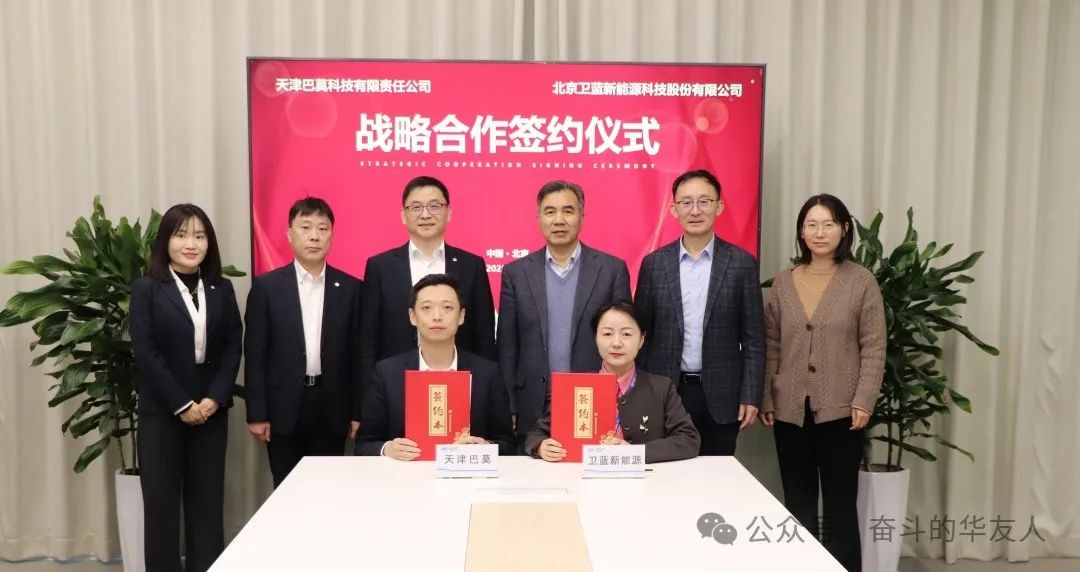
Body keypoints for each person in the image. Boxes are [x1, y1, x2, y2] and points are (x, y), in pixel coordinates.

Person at [759, 194, 886, 571]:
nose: (819, 232)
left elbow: (874, 344)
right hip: (789, 413)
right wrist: (767, 397)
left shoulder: (861, 281)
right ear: (801, 232)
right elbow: (771, 343)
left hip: (843, 413)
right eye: (811, 225)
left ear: (844, 229)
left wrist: (864, 399)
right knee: (797, 506)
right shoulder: (784, 282)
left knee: (840, 507)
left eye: (828, 224)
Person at [130, 204, 242, 572]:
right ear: (166, 241)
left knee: (207, 506)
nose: (191, 244)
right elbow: (146, 351)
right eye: (181, 235)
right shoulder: (147, 288)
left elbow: (233, 346)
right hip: (162, 413)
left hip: (211, 412)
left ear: (209, 243)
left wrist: (214, 398)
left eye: (199, 236)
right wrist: (181, 403)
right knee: (160, 507)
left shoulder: (221, 288)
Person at [634, 169, 765, 456]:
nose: (695, 211)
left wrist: (751, 394)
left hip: (722, 394)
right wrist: (639, 392)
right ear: (674, 210)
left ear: (719, 207)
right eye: (686, 203)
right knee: (665, 472)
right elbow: (641, 336)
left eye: (704, 202)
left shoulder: (741, 263)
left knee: (716, 475)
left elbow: (754, 338)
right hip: (665, 391)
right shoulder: (654, 264)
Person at [497, 180, 631, 450]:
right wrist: (509, 403)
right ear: (538, 218)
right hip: (533, 400)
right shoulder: (516, 273)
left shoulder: (611, 269)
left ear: (582, 216)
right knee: (535, 470)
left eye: (568, 211)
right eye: (550, 212)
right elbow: (507, 346)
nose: (559, 219)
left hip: (595, 397)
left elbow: (624, 341)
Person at [244, 197, 363, 487]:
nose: (314, 236)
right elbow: (256, 354)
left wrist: (358, 412)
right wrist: (257, 413)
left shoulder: (351, 288)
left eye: (322, 228)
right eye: (305, 227)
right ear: (289, 233)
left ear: (331, 235)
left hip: (332, 406)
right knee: (286, 489)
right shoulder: (267, 287)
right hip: (283, 407)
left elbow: (358, 355)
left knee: (329, 490)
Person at [360, 176, 496, 397]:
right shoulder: (380, 267)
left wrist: (485, 393)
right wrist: (367, 397)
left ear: (448, 212)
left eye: (434, 206)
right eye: (416, 207)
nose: (425, 215)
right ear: (403, 215)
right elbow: (368, 340)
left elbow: (485, 337)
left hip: (460, 385)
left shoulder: (472, 266)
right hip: (395, 386)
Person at [356, 273, 515, 458]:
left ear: (461, 316)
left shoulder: (487, 374)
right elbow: (364, 444)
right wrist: (387, 449)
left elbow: (508, 444)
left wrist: (485, 447)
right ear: (412, 316)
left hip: (466, 474)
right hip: (405, 474)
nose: (437, 316)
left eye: (447, 308)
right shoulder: (387, 373)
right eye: (426, 308)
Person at [525, 301, 700, 463]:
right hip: (583, 479)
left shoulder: (661, 387)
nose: (616, 343)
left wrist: (635, 452)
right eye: (607, 334)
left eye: (626, 334)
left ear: (641, 340)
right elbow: (536, 434)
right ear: (596, 338)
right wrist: (540, 446)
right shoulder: (575, 386)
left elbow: (689, 439)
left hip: (643, 481)